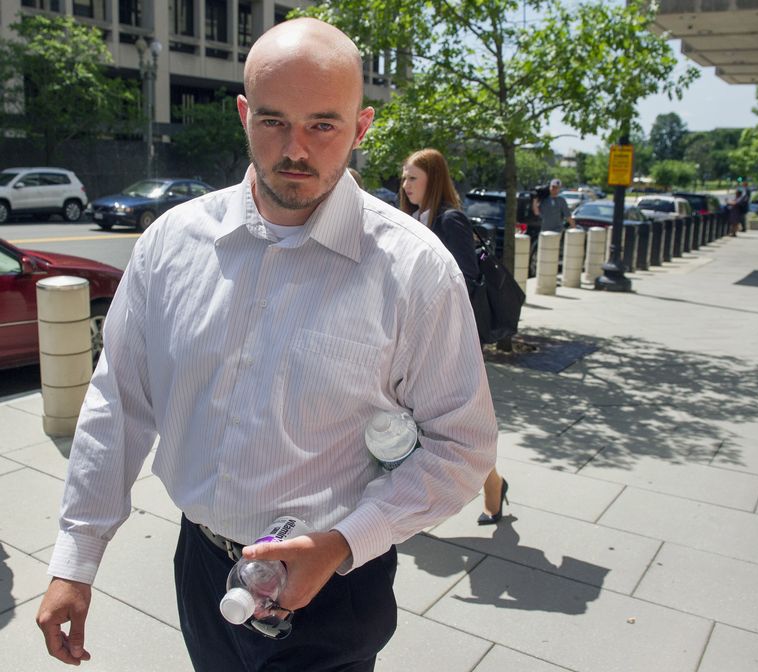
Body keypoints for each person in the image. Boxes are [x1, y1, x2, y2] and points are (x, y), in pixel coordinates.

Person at [35, 18, 497, 672]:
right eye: (274, 121)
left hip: (336, 584)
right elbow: (120, 402)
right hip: (203, 568)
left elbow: (462, 445)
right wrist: (76, 559)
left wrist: (345, 542)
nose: (295, 149)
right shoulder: (171, 244)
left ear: (361, 127)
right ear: (243, 114)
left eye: (323, 125)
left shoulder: (415, 270)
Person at [399, 148, 507, 526]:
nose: (405, 184)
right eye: (404, 177)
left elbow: (466, 276)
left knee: (456, 426)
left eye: (413, 177)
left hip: (448, 337)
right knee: (420, 422)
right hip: (414, 336)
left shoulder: (449, 219)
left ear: (433, 179)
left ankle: (492, 487)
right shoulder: (414, 217)